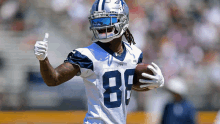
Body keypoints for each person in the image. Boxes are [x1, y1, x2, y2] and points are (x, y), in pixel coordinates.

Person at [34, 0, 164, 123]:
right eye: (98, 21)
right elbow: (53, 79)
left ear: (123, 20)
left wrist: (153, 83)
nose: (102, 26)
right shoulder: (87, 55)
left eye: (106, 20)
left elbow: (126, 85)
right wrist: (43, 59)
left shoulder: (134, 54)